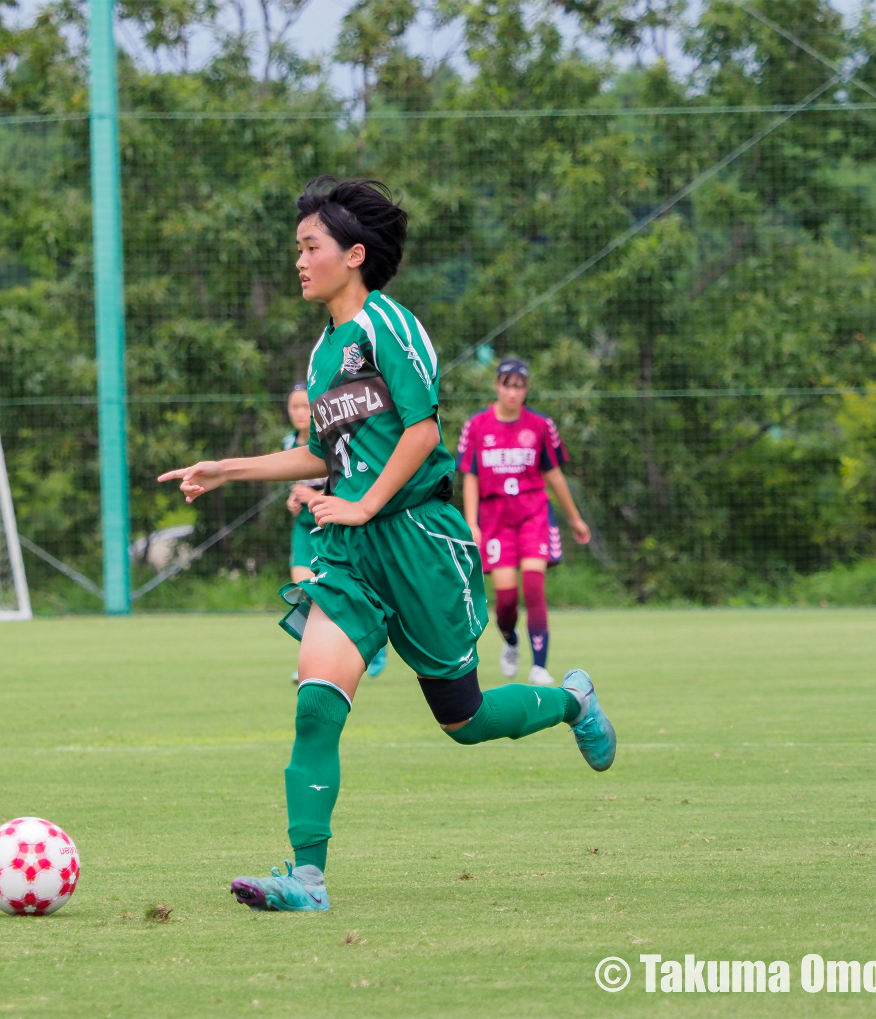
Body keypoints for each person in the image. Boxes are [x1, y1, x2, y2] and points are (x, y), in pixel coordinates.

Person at [158, 177, 616, 913]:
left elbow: (423, 430)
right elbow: (319, 455)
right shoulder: (323, 353)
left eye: (310, 247)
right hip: (350, 554)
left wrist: (367, 501)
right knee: (316, 699)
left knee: (463, 718)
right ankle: (306, 879)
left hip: (419, 542)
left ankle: (571, 700)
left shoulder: (388, 327)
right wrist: (227, 469)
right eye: (298, 248)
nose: (299, 261)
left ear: (355, 254)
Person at [458, 359, 591, 685]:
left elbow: (554, 474)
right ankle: (512, 642)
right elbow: (470, 477)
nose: (512, 392)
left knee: (533, 587)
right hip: (496, 521)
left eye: (519, 386)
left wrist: (575, 519)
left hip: (533, 515)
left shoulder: (540, 425)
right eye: (507, 385)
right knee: (505, 601)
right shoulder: (477, 426)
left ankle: (540, 666)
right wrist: (471, 523)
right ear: (497, 386)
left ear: (526, 390)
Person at [283, 382, 387, 683]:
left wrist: (312, 491)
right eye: (295, 407)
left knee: (341, 594)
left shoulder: (334, 438)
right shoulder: (288, 442)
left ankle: (370, 642)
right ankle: (313, 664)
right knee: (304, 593)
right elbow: (297, 486)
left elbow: (343, 480)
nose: (301, 413)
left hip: (332, 527)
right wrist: (294, 499)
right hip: (304, 528)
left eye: (306, 406)